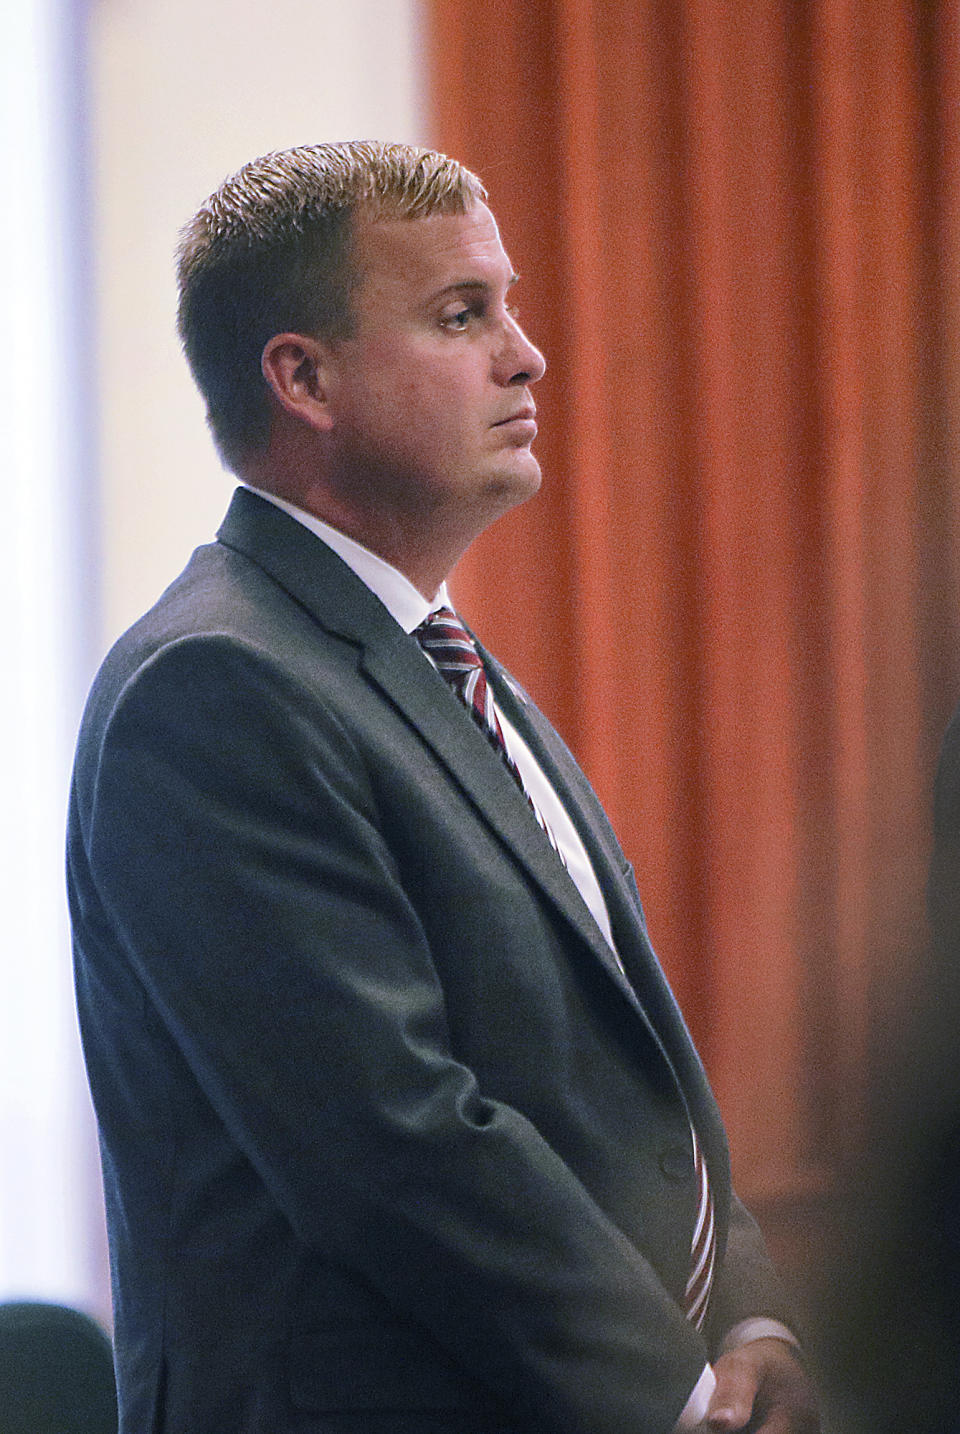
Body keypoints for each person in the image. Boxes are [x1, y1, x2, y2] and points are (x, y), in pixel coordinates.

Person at [67, 141, 819, 1434]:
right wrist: (686, 1394)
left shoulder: (437, 661)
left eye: (508, 305)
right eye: (462, 314)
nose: (525, 355)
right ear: (303, 376)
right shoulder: (210, 690)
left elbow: (623, 1077)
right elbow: (393, 1139)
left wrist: (750, 1314)